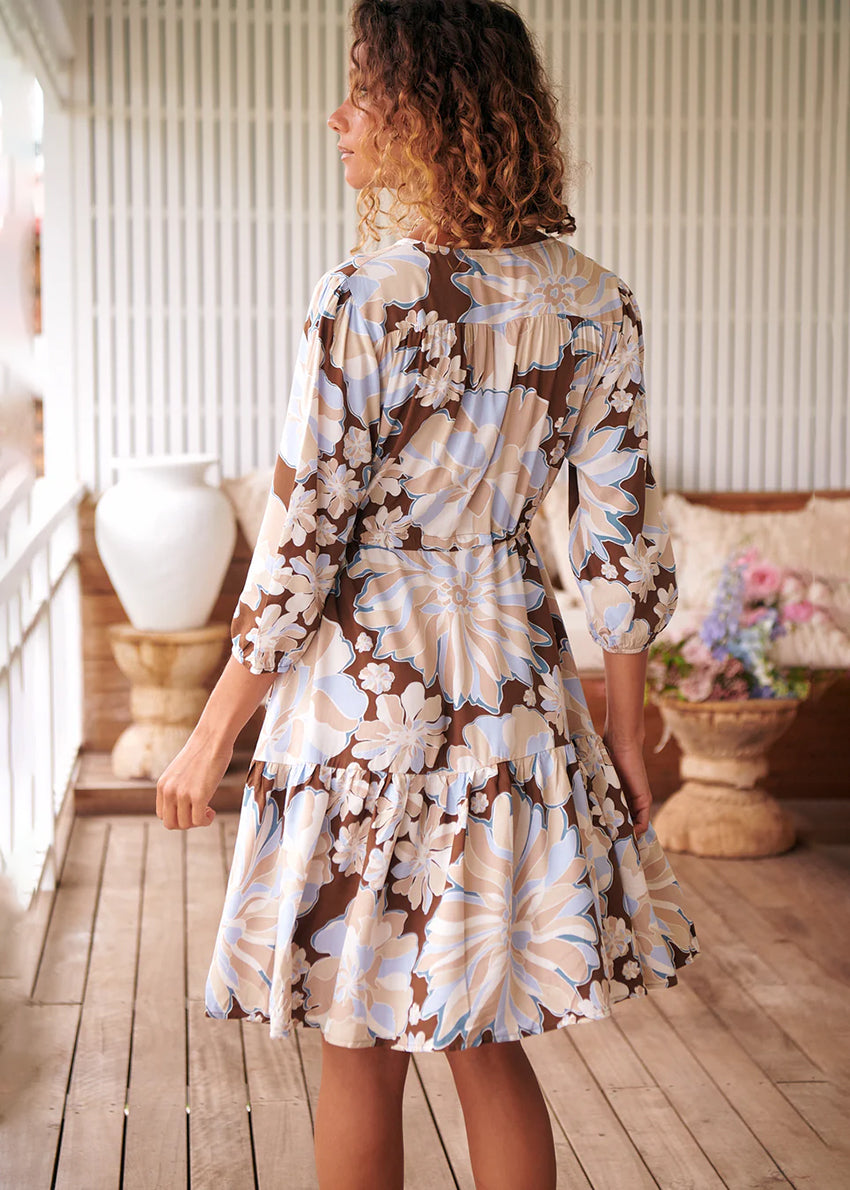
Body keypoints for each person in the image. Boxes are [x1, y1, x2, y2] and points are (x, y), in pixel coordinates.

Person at [156, 1, 700, 1186]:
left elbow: (303, 542)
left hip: (365, 704)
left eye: (363, 87)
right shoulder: (595, 301)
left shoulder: (365, 292)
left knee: (360, 1041)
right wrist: (621, 728)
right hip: (513, 692)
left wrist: (211, 734)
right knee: (488, 1032)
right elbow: (615, 542)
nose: (338, 117)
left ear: (428, 108)